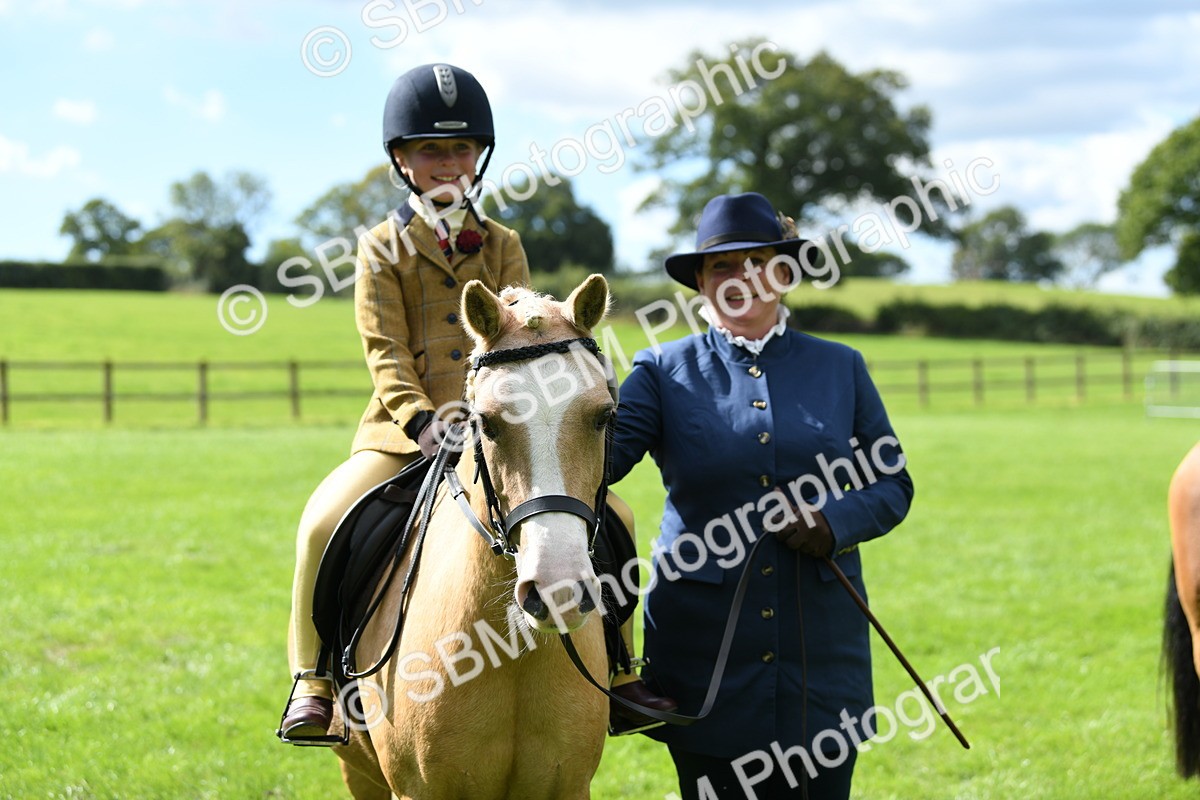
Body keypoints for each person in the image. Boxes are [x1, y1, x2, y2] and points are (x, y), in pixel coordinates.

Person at [281, 63, 670, 741]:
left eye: (461, 149)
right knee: (322, 521)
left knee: (618, 515)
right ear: (402, 160)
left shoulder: (502, 243)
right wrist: (421, 420)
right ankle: (313, 683)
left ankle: (619, 672)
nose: (448, 163)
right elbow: (385, 351)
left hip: (506, 426)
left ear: (479, 156)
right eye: (431, 149)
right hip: (404, 432)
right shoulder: (379, 248)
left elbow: (528, 329)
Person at [609, 192, 914, 799]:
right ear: (700, 283)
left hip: (821, 647)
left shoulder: (842, 367)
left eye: (759, 262)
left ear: (785, 273)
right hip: (703, 649)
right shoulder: (660, 371)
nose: (741, 278)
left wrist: (833, 521)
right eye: (722, 266)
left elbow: (892, 483)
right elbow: (598, 467)